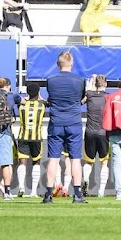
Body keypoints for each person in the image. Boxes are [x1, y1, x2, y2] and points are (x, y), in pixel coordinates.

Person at [43, 51, 87, 204]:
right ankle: (77, 194)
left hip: (56, 123)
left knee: (53, 159)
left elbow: (51, 98)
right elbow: (80, 98)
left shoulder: (51, 80)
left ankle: (48, 194)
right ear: (72, 63)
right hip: (74, 123)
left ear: (58, 64)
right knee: (75, 159)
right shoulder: (80, 80)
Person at [15, 82, 46, 198]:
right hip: (36, 137)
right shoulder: (41, 105)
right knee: (36, 163)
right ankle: (33, 191)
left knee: (22, 162)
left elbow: (20, 100)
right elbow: (45, 102)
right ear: (38, 93)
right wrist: (39, 97)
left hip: (23, 136)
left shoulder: (21, 106)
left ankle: (21, 187)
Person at [81, 74, 109, 198]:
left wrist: (91, 82)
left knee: (88, 161)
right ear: (106, 84)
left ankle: (86, 179)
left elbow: (81, 101)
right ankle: (101, 191)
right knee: (104, 162)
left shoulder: (89, 95)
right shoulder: (108, 97)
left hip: (89, 132)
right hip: (103, 133)